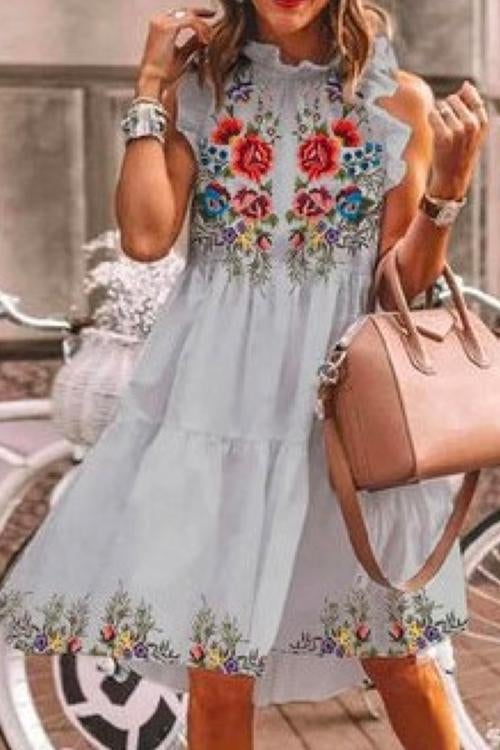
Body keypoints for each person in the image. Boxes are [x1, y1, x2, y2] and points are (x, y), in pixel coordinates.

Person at [0, 1, 489, 748]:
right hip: (217, 405)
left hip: (345, 415)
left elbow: (400, 282)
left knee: (398, 657)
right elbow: (145, 236)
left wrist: (446, 191)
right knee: (217, 672)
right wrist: (151, 85)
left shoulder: (396, 101)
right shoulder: (204, 91)